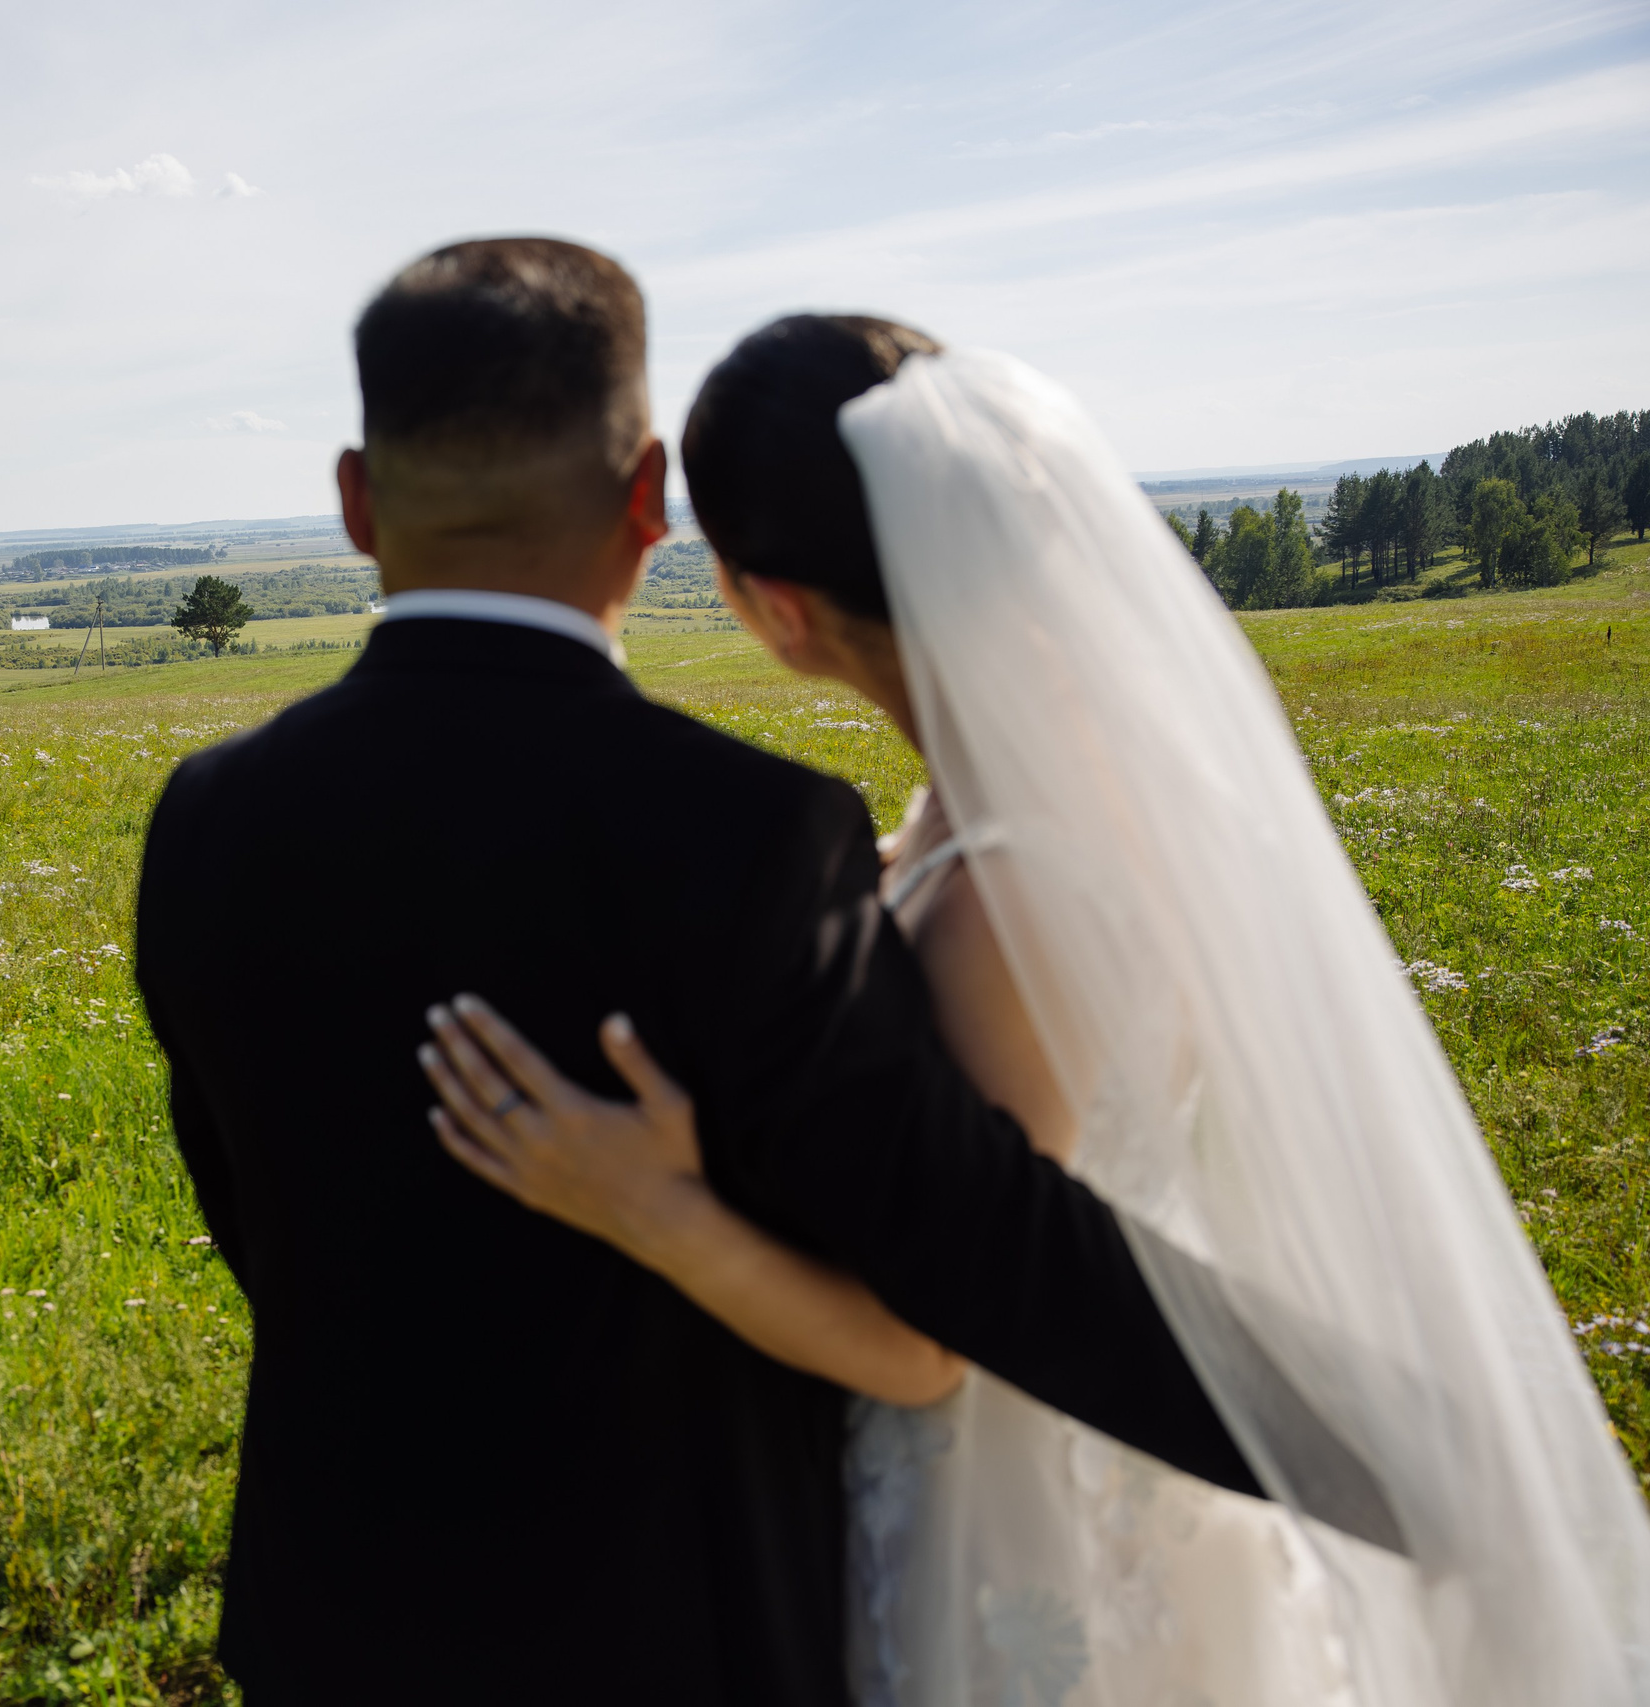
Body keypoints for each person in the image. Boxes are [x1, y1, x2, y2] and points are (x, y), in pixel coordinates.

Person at [417, 315, 1650, 1704]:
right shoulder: (1027, 785)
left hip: (1036, 1514)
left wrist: (654, 1207)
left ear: (771, 605)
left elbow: (934, 1341)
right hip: (1124, 1442)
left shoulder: (1021, 886)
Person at [132, 240, 1259, 1707]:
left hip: (329, 1623)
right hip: (690, 1625)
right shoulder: (760, 836)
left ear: (355, 501)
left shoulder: (207, 824)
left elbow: (253, 1211)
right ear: (649, 498)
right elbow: (952, 1268)